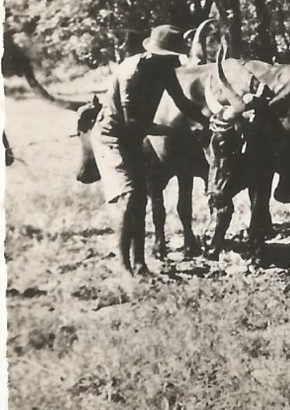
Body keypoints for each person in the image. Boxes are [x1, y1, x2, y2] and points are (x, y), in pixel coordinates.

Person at [89, 24, 210, 278]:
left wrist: (208, 122)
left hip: (133, 140)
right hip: (111, 137)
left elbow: (183, 103)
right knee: (128, 198)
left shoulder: (165, 69)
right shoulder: (131, 72)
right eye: (168, 56)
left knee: (141, 199)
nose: (171, 61)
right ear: (153, 53)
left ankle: (140, 266)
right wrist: (173, 132)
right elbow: (132, 121)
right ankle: (124, 270)